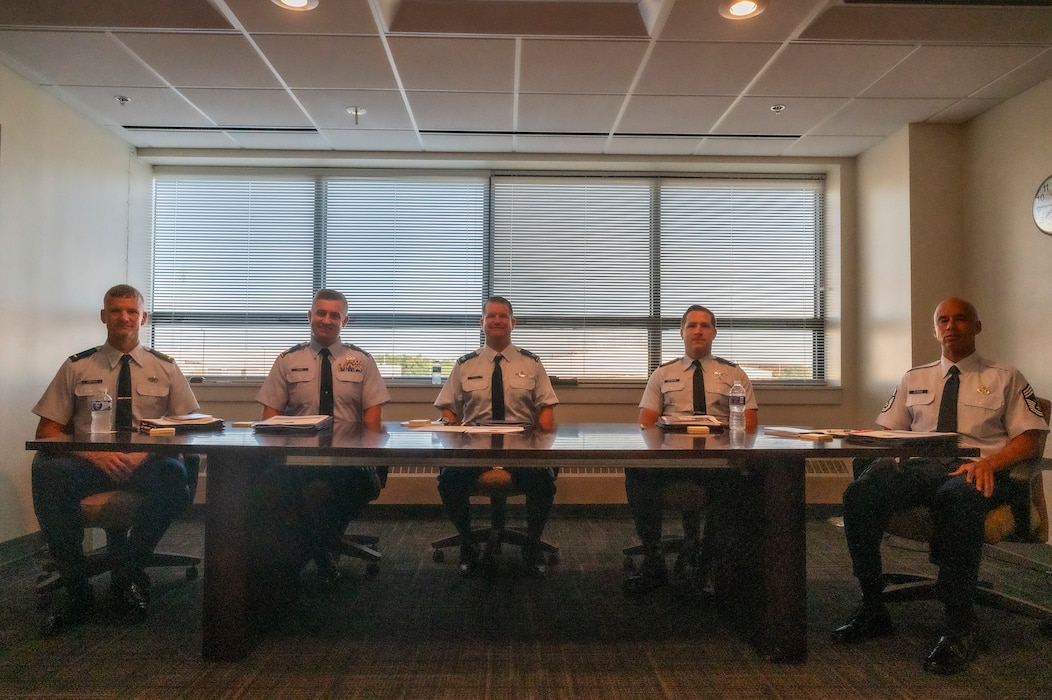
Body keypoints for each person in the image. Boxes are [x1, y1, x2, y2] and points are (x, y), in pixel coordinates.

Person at [832, 297, 1048, 675]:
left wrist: (989, 463)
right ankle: (872, 606)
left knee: (956, 498)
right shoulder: (914, 378)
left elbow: (1030, 438)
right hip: (922, 467)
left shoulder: (1006, 377)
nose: (951, 325)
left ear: (977, 327)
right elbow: (890, 431)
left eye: (961, 318)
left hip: (981, 470)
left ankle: (959, 625)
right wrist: (882, 453)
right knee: (861, 493)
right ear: (934, 330)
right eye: (943, 320)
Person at [31, 284, 200, 631]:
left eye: (131, 311)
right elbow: (47, 432)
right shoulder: (77, 366)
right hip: (89, 463)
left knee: (172, 475)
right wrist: (96, 455)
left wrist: (143, 454)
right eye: (116, 310)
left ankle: (129, 573)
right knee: (48, 474)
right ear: (103, 316)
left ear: (143, 317)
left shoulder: (165, 368)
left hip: (146, 462)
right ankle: (77, 588)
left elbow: (187, 429)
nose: (124, 317)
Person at [256, 289, 391, 588]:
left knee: (345, 488)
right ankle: (314, 550)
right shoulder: (287, 360)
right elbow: (270, 419)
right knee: (268, 485)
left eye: (334, 315)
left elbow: (372, 424)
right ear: (310, 316)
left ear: (345, 320)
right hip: (298, 461)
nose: (326, 320)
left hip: (348, 464)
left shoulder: (362, 361)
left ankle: (308, 552)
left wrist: (361, 457)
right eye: (321, 313)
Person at [623, 304, 758, 597]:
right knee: (636, 471)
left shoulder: (734, 374)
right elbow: (646, 424)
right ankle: (653, 558)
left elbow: (749, 425)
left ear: (714, 333)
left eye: (705, 325)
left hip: (718, 462)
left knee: (739, 483)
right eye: (692, 325)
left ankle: (709, 562)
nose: (698, 330)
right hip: (672, 462)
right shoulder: (663, 373)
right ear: (682, 332)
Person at [434, 295, 559, 578]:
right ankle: (468, 544)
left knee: (543, 483)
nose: (497, 320)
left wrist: (542, 444)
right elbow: (448, 408)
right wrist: (451, 430)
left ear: (512, 323)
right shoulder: (465, 364)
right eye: (491, 316)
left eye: (503, 316)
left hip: (521, 446)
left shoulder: (532, 363)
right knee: (449, 481)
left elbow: (546, 411)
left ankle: (531, 545)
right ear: (482, 323)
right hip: (476, 444)